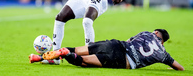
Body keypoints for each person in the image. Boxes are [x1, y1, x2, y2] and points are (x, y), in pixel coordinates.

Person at [29, 29, 184, 71]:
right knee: (84, 62)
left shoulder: (145, 33)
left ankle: (40, 57)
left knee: (79, 49)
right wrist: (170, 65)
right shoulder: (163, 53)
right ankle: (67, 55)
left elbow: (130, 41)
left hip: (116, 44)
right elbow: (180, 68)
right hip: (122, 60)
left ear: (155, 33)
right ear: (162, 41)